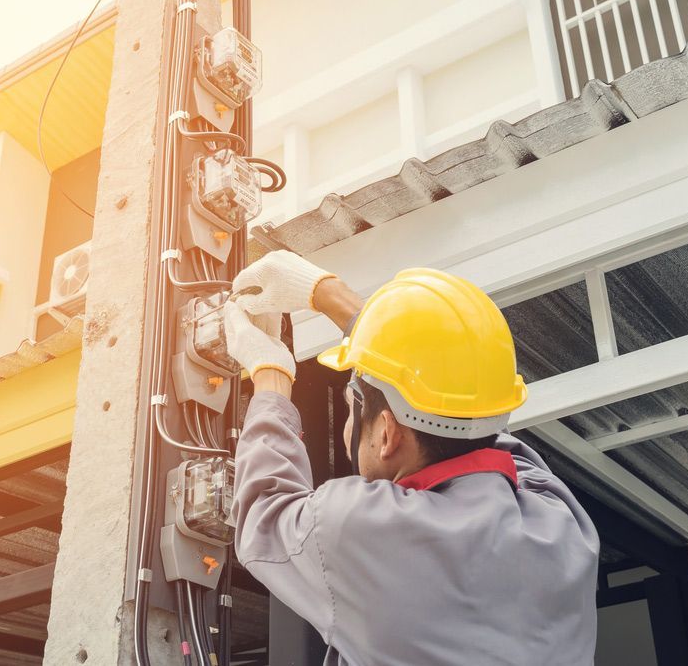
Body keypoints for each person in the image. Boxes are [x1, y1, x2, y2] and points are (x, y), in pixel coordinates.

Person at [222, 250, 599, 666]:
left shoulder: (362, 529)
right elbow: (471, 411)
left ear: (387, 433)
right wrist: (329, 296)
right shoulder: (561, 523)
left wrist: (269, 372)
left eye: (350, 407)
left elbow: (265, 514)